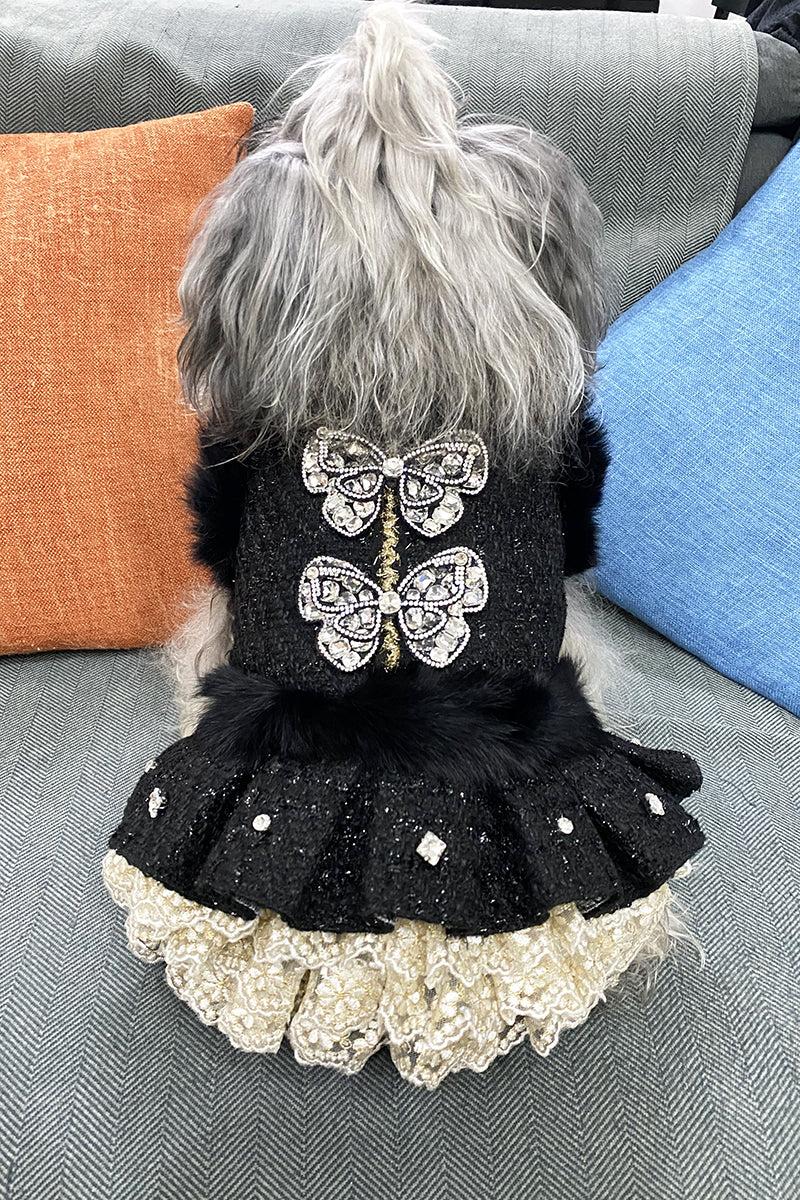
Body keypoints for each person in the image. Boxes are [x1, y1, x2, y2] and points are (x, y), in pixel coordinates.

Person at [102, 0, 704, 1089]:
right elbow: (553, 593)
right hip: (510, 754)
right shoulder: (539, 436)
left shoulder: (256, 445)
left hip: (282, 763)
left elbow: (233, 620)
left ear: (252, 284)